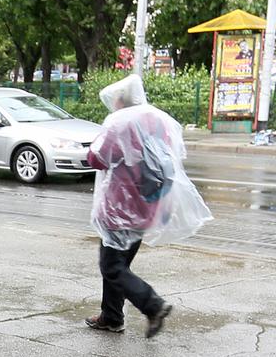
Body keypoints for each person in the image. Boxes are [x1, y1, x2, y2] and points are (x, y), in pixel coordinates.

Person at [84, 74, 210, 338]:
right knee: (120, 264)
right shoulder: (158, 119)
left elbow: (97, 158)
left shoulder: (120, 122)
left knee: (111, 266)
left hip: (120, 207)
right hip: (147, 206)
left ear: (120, 100)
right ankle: (111, 317)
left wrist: (89, 150)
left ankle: (153, 306)